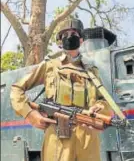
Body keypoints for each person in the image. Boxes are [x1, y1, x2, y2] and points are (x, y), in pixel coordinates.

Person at [10, 18, 112, 161]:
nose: (69, 36)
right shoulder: (50, 66)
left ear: (81, 40)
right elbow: (16, 89)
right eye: (65, 34)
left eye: (74, 33)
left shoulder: (92, 71)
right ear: (60, 41)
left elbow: (105, 102)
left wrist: (99, 109)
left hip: (88, 140)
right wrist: (30, 114)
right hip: (58, 139)